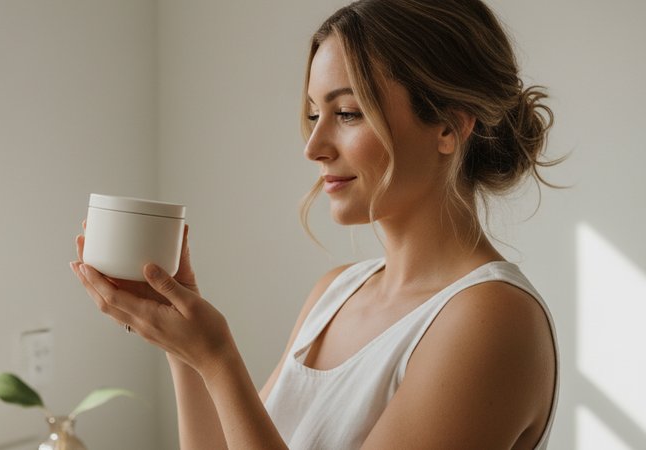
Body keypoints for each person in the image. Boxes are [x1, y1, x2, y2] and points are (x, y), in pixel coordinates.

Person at [70, 0, 561, 448]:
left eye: (347, 113)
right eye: (313, 113)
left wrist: (220, 361)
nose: (313, 146)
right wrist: (183, 346)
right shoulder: (336, 292)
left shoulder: (492, 318)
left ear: (450, 127)